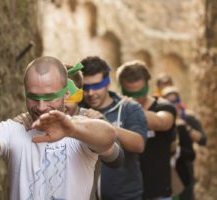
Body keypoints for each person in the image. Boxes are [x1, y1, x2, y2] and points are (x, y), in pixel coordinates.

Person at [0, 56, 121, 200]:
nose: (41, 106)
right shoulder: (14, 130)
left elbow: (108, 136)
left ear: (66, 95)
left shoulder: (80, 129)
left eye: (49, 97)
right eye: (34, 97)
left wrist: (72, 129)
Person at [80, 56, 148, 200]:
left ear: (107, 84)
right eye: (86, 87)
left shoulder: (129, 108)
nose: (91, 93)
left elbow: (139, 144)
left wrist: (106, 127)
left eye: (96, 86)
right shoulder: (78, 110)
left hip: (125, 197)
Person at [116, 60, 177, 200]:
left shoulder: (163, 106)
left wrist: (129, 108)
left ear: (148, 85)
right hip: (125, 192)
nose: (136, 99)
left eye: (140, 93)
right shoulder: (117, 109)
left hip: (157, 192)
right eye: (130, 94)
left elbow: (163, 122)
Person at [162, 86, 207, 200]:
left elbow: (202, 140)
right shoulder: (161, 121)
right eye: (169, 101)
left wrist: (186, 129)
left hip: (185, 173)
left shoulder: (188, 119)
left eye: (175, 101)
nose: (173, 104)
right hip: (166, 177)